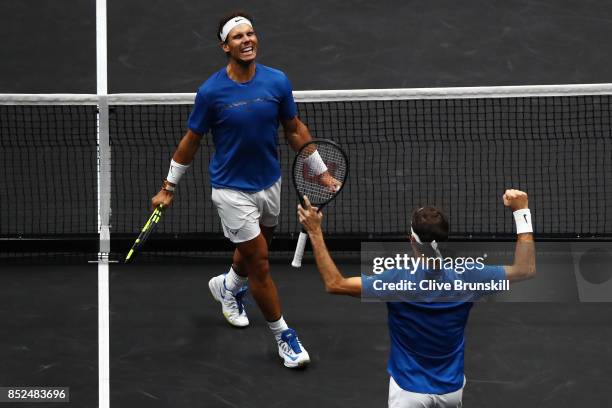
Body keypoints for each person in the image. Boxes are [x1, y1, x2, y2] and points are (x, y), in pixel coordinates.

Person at [151, 11, 338, 368]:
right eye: (238, 37)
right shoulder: (211, 93)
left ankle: (226, 286)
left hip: (269, 183)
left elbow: (294, 128)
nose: (247, 40)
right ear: (226, 46)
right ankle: (284, 337)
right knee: (261, 265)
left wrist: (322, 172)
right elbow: (191, 141)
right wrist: (168, 187)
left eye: (251, 33)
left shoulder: (277, 82)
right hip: (231, 190)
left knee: (256, 250)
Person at [297, 189, 536, 407]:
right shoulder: (470, 276)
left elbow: (335, 283)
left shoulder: (395, 280)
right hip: (450, 391)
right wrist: (521, 210)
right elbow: (525, 269)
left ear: (411, 240)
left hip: (408, 393)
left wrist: (315, 232)